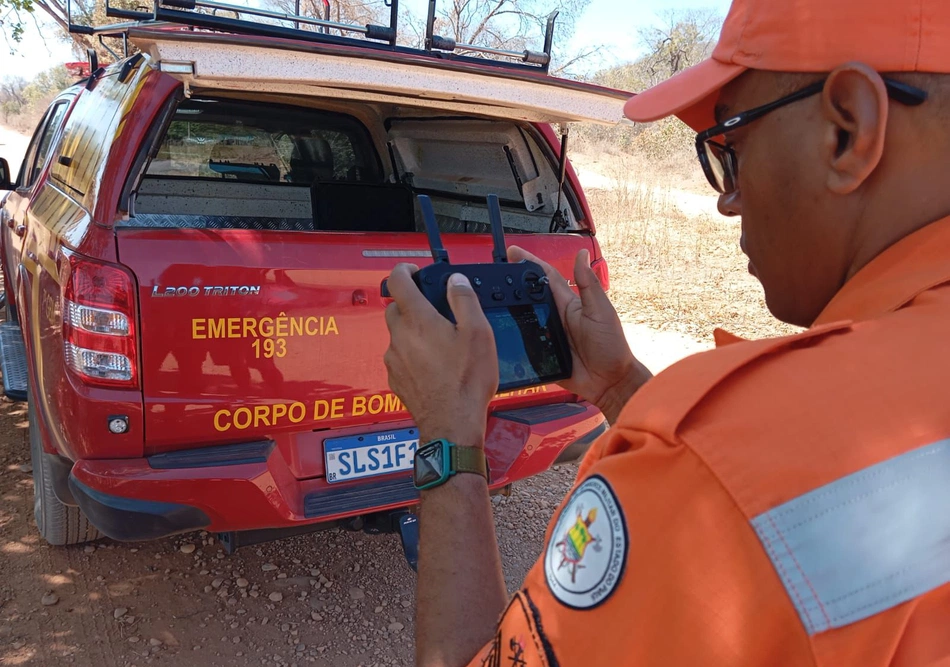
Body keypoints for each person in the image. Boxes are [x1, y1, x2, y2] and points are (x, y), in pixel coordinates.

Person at [382, 0, 950, 664]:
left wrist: (450, 439)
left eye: (730, 150)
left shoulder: (721, 465)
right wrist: (621, 383)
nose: (726, 198)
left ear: (848, 130)